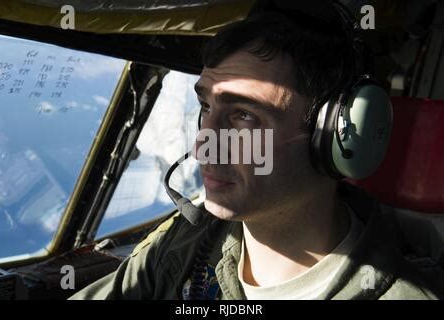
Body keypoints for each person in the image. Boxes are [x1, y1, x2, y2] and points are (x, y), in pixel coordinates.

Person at [70, 7, 442, 300]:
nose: (203, 145)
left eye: (244, 115)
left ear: (337, 139)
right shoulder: (185, 241)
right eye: (205, 108)